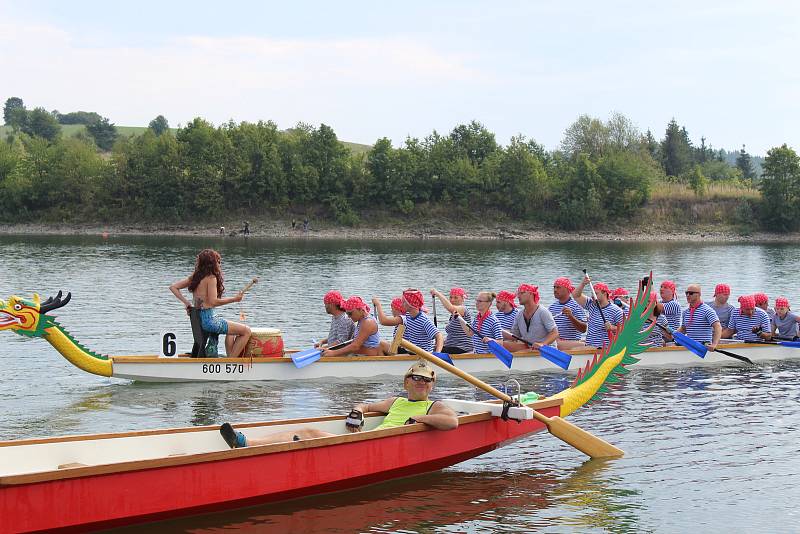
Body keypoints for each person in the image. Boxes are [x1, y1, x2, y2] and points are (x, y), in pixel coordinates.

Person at [219, 361, 458, 448]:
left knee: (308, 433)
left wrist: (421, 419)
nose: (422, 383)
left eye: (427, 380)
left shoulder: (432, 406)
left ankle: (247, 444)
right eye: (416, 378)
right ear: (407, 382)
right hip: (368, 441)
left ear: (432, 386)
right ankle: (247, 443)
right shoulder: (396, 401)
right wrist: (356, 412)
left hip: (374, 446)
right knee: (304, 432)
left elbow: (452, 422)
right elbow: (364, 405)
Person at [169, 249, 252, 357]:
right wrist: (234, 299)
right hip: (209, 321)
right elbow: (213, 302)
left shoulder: (195, 277)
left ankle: (230, 358)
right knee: (246, 331)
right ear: (211, 263)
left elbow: (173, 287)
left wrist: (187, 303)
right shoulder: (211, 278)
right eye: (218, 261)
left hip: (199, 318)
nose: (219, 264)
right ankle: (231, 361)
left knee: (233, 331)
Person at [373, 289, 443, 353]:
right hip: (411, 352)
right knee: (381, 344)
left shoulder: (424, 320)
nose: (401, 305)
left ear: (410, 305)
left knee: (382, 344)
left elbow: (439, 336)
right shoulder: (408, 316)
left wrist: (437, 353)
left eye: (403, 302)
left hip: (423, 355)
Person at [572, 276, 624, 349]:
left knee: (574, 350)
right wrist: (583, 284)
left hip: (604, 349)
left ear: (604, 293)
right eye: (592, 293)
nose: (593, 296)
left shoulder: (616, 311)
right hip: (590, 347)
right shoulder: (591, 304)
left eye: (596, 293)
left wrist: (612, 328)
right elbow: (575, 296)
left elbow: (626, 330)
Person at [502, 284, 558, 351]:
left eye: (522, 293)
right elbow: (515, 336)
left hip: (547, 349)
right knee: (501, 344)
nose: (518, 296)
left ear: (531, 294)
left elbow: (555, 333)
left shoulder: (543, 312)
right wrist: (499, 332)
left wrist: (543, 344)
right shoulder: (519, 315)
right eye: (518, 293)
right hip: (531, 348)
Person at [676, 284, 721, 352]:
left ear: (699, 294)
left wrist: (714, 344)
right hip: (691, 346)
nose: (688, 295)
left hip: (703, 348)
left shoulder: (707, 310)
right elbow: (683, 329)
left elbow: (718, 327)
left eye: (691, 293)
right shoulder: (686, 312)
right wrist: (673, 334)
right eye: (686, 293)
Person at [548, 277, 588, 350]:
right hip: (556, 341)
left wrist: (571, 317)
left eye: (558, 287)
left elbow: (583, 329)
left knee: (555, 343)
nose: (555, 290)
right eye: (554, 287)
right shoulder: (551, 307)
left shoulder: (576, 306)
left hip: (571, 343)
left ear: (567, 289)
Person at [431, 287, 474, 354]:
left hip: (461, 348)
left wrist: (438, 294)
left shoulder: (463, 309)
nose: (452, 300)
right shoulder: (453, 315)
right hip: (452, 347)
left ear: (462, 299)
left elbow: (450, 308)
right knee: (430, 348)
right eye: (450, 297)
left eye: (455, 297)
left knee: (430, 352)